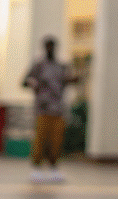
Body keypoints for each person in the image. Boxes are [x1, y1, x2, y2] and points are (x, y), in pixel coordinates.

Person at [21, 36, 79, 184]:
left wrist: (73, 80)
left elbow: (67, 81)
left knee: (56, 141)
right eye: (48, 46)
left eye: (52, 46)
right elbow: (25, 81)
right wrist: (33, 84)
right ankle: (36, 168)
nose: (50, 49)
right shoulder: (39, 66)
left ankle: (54, 167)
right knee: (40, 139)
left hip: (58, 109)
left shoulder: (62, 66)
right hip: (43, 108)